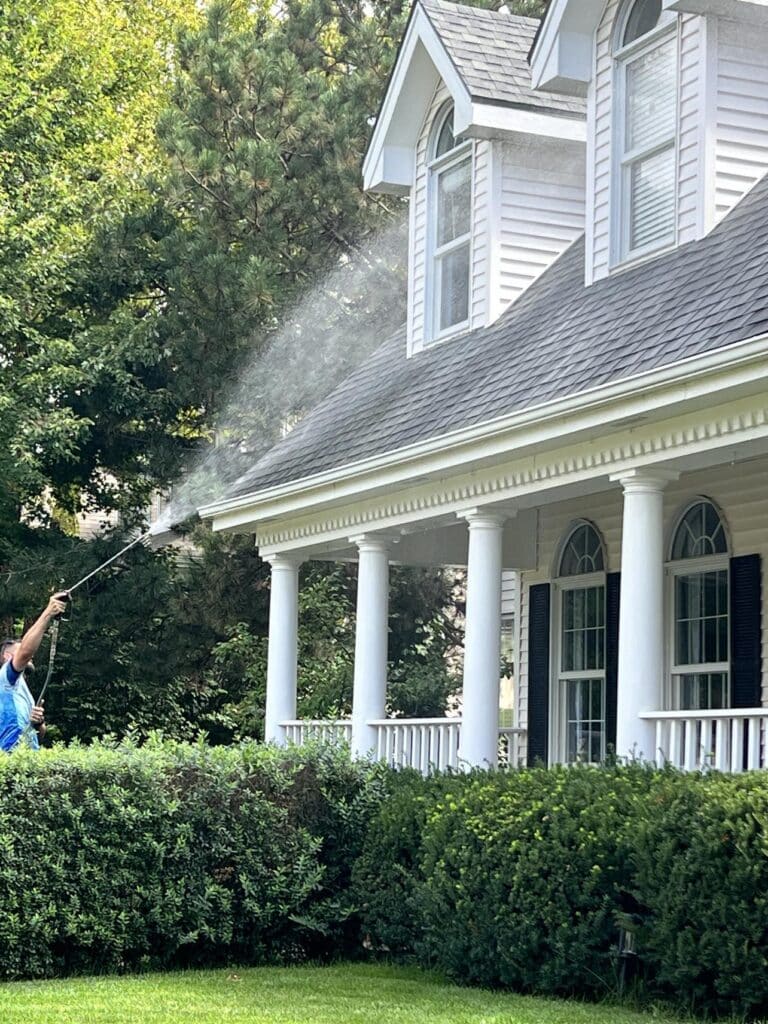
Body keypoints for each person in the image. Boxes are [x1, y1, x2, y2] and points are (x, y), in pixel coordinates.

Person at [0, 593, 68, 752]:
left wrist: (38, 723)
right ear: (8, 656)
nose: (31, 656)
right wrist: (48, 612)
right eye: (21, 649)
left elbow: (39, 736)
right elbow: (25, 653)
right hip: (9, 762)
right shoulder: (4, 678)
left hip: (28, 761)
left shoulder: (20, 691)